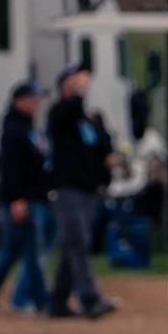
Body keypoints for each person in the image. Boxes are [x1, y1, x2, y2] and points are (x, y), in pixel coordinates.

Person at [42, 66, 119, 319]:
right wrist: (77, 92)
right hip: (67, 189)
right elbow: (70, 109)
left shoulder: (86, 118)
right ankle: (88, 299)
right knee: (78, 242)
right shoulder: (59, 112)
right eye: (75, 83)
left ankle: (57, 301)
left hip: (86, 190)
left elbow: (100, 143)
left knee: (72, 244)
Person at [0, 82, 50, 314]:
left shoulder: (28, 128)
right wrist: (17, 199)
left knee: (11, 252)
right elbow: (12, 169)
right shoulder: (13, 130)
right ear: (19, 101)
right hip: (22, 201)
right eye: (32, 99)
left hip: (31, 199)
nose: (36, 104)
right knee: (32, 254)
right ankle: (39, 300)